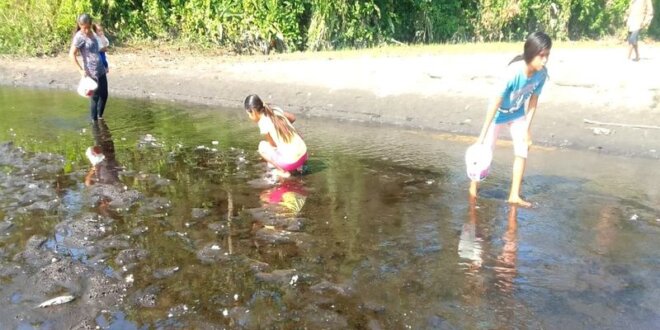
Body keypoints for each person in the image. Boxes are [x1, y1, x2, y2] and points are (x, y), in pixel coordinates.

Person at [468, 31, 552, 207]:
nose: (544, 60)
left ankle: (514, 195)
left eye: (547, 55)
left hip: (516, 114)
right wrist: (481, 137)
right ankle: (473, 189)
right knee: (485, 154)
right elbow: (495, 102)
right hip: (498, 115)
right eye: (541, 55)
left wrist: (527, 129)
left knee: (522, 150)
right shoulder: (513, 73)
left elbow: (533, 101)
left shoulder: (541, 74)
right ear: (530, 53)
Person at [243, 94, 308, 178]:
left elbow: (273, 145)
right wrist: (284, 128)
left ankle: (283, 171)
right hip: (304, 155)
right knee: (293, 134)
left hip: (291, 163)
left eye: (249, 114)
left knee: (262, 146)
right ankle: (300, 167)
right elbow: (293, 118)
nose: (249, 117)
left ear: (253, 111)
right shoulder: (275, 110)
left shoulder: (263, 123)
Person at [69, 13, 108, 121]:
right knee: (94, 98)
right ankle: (94, 122)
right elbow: (71, 54)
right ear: (79, 25)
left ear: (90, 24)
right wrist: (80, 70)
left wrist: (105, 62)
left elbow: (98, 48)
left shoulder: (94, 32)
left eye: (87, 27)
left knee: (104, 95)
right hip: (90, 73)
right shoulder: (79, 37)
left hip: (101, 69)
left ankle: (100, 118)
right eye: (83, 28)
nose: (86, 30)